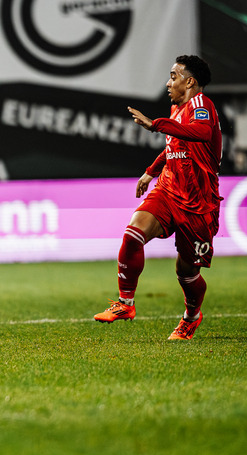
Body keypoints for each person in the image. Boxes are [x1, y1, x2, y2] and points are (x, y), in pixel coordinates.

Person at [94, 55, 222, 341]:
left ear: (190, 81)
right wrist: (150, 172)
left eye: (174, 76)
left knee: (186, 272)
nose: (168, 82)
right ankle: (125, 304)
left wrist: (156, 125)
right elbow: (173, 147)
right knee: (132, 233)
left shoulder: (201, 105)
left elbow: (201, 133)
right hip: (168, 189)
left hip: (198, 202)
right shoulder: (176, 109)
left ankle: (191, 316)